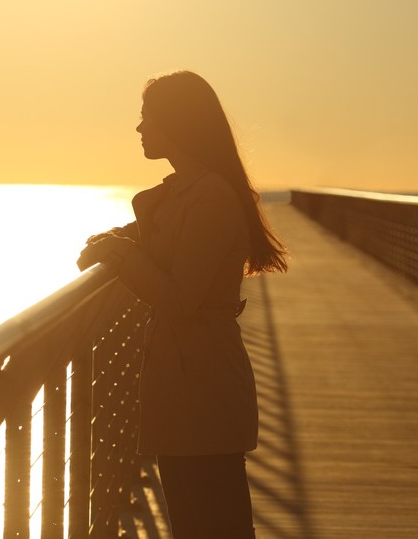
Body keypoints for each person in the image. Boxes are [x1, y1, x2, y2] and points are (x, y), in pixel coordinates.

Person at [77, 70, 287, 538]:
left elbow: (178, 298)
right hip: (183, 385)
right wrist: (112, 242)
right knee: (195, 523)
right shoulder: (181, 194)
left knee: (215, 525)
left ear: (176, 121)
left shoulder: (210, 196)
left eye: (146, 117)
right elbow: (155, 247)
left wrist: (121, 252)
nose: (139, 128)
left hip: (204, 387)